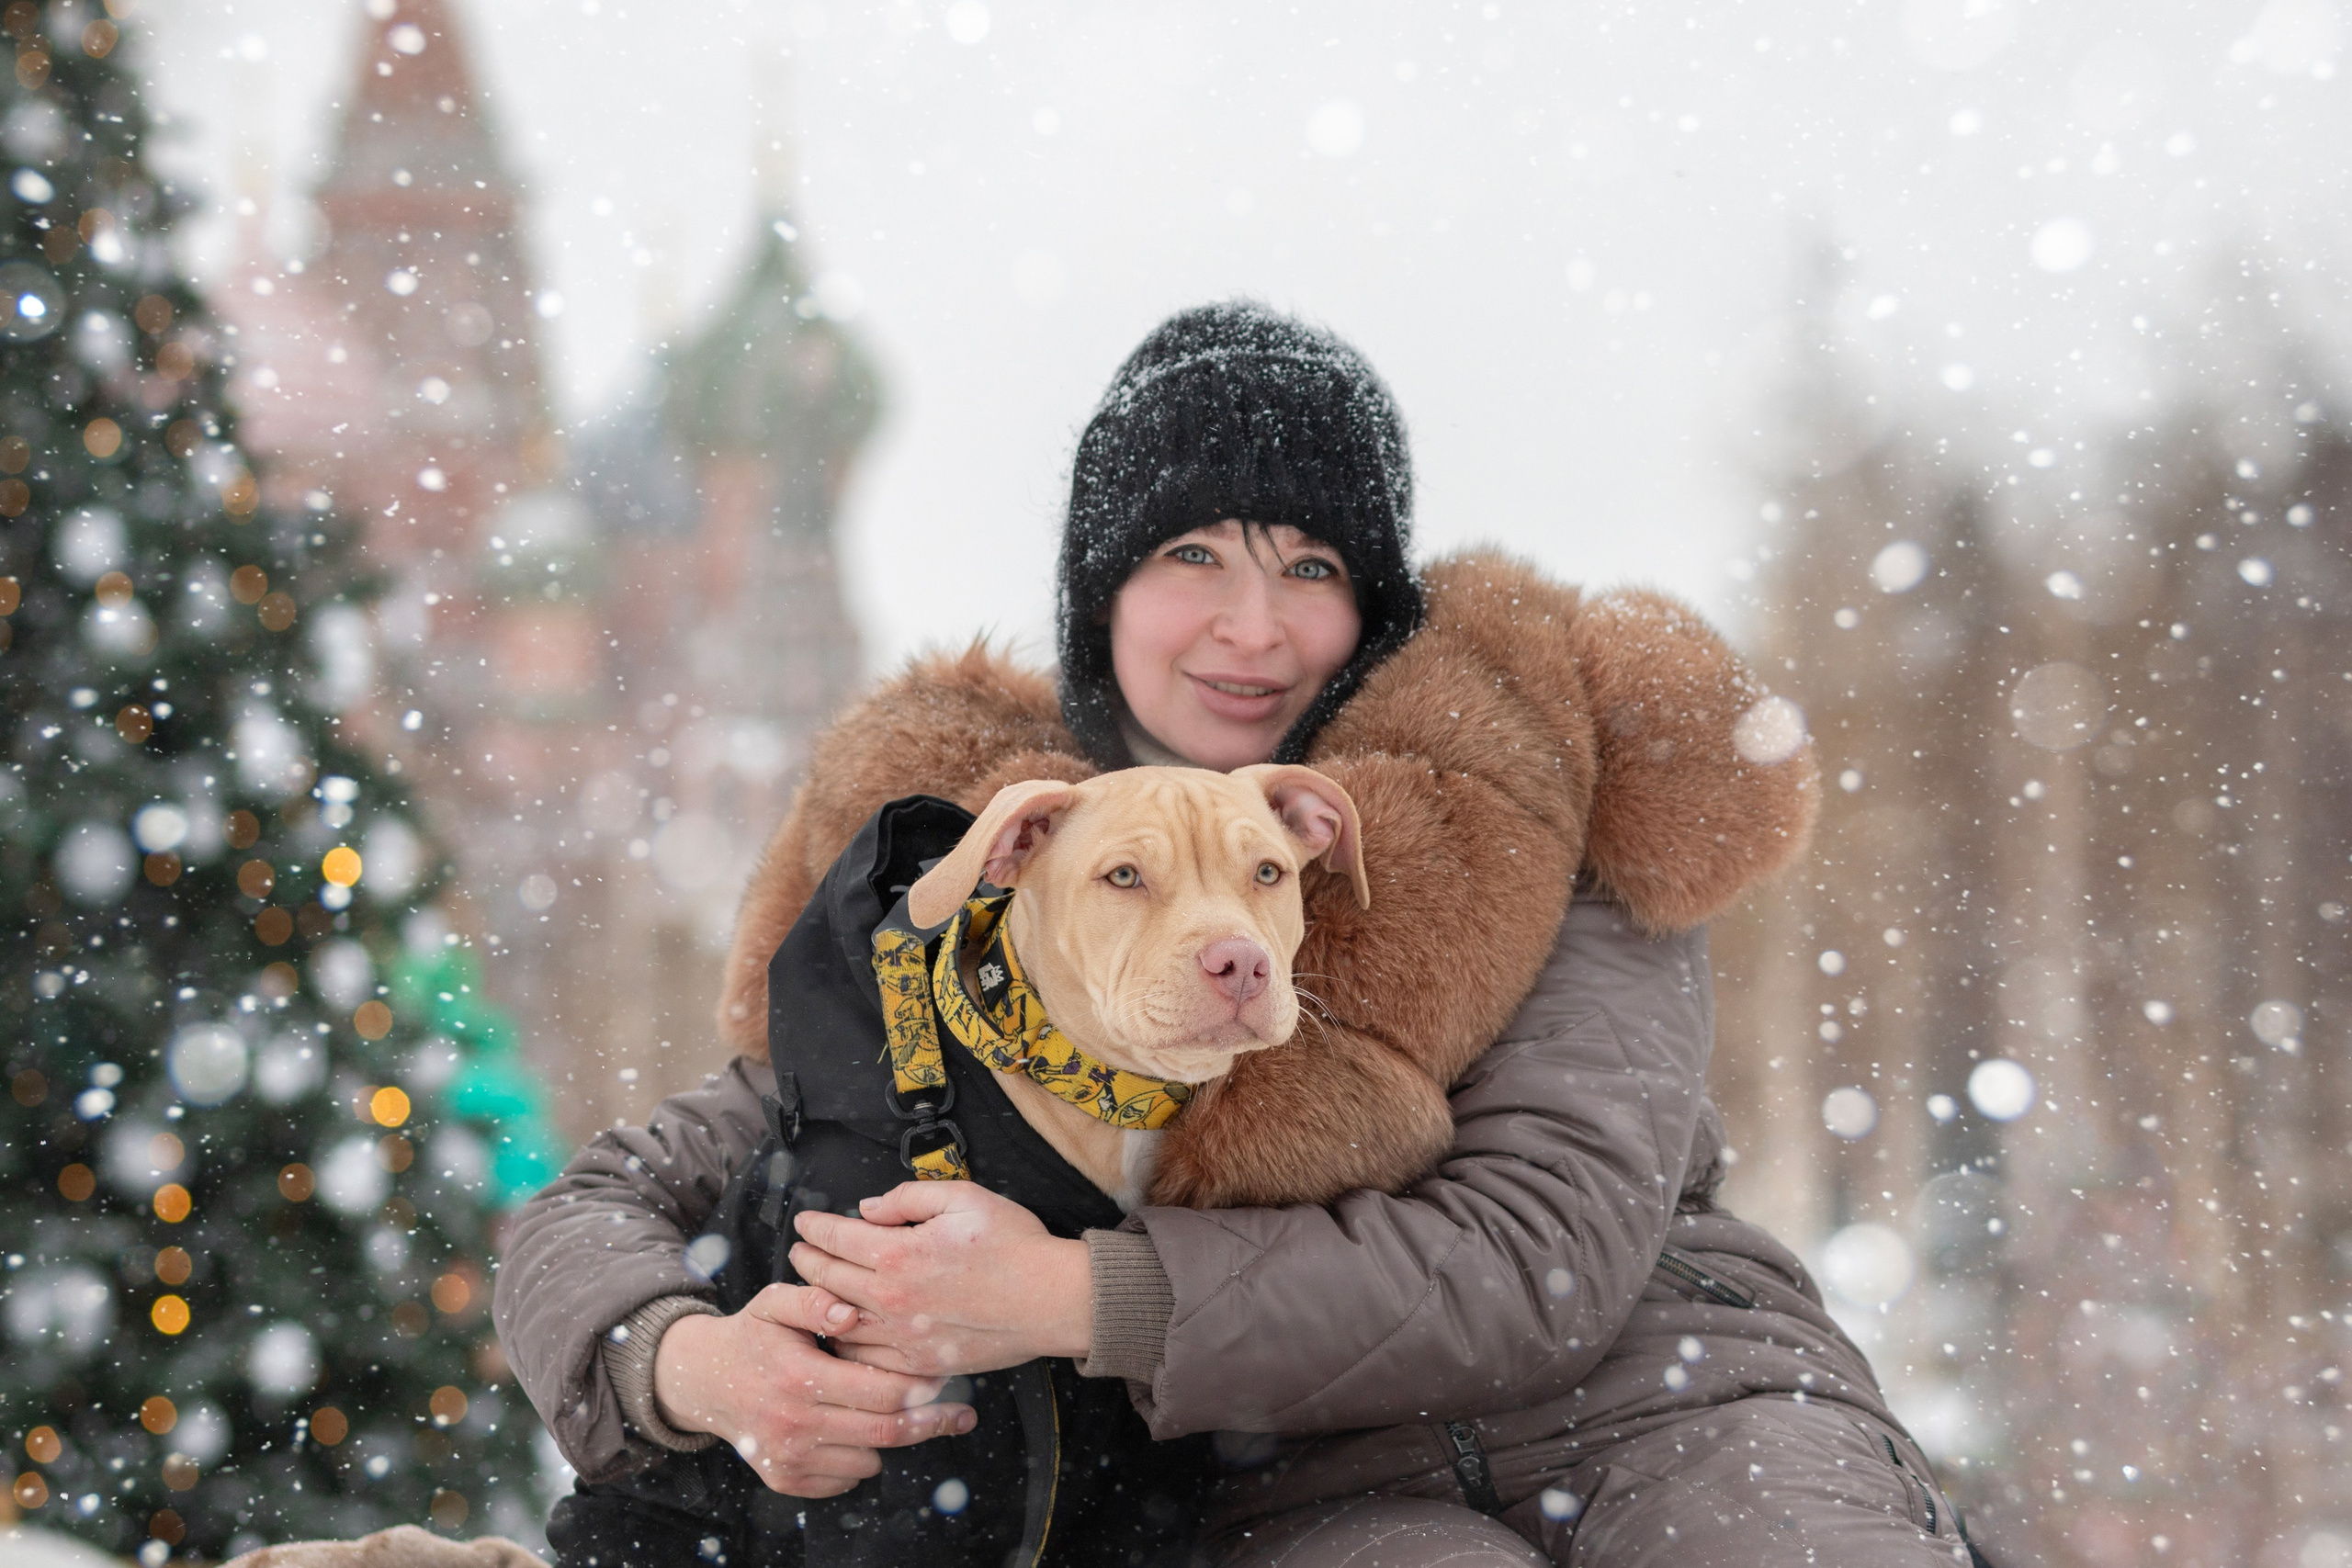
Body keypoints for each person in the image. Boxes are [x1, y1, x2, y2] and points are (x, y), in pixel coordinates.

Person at [495, 302, 1989, 1567]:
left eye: (1312, 568)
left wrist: (1077, 1295)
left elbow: (1547, 1254)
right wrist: (685, 1361)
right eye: (1193, 556)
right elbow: (621, 1197)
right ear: (1102, 597)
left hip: (1687, 1398)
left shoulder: (1523, 808)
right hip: (1320, 1492)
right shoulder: (1005, 890)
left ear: (1374, 609)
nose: (1253, 627)